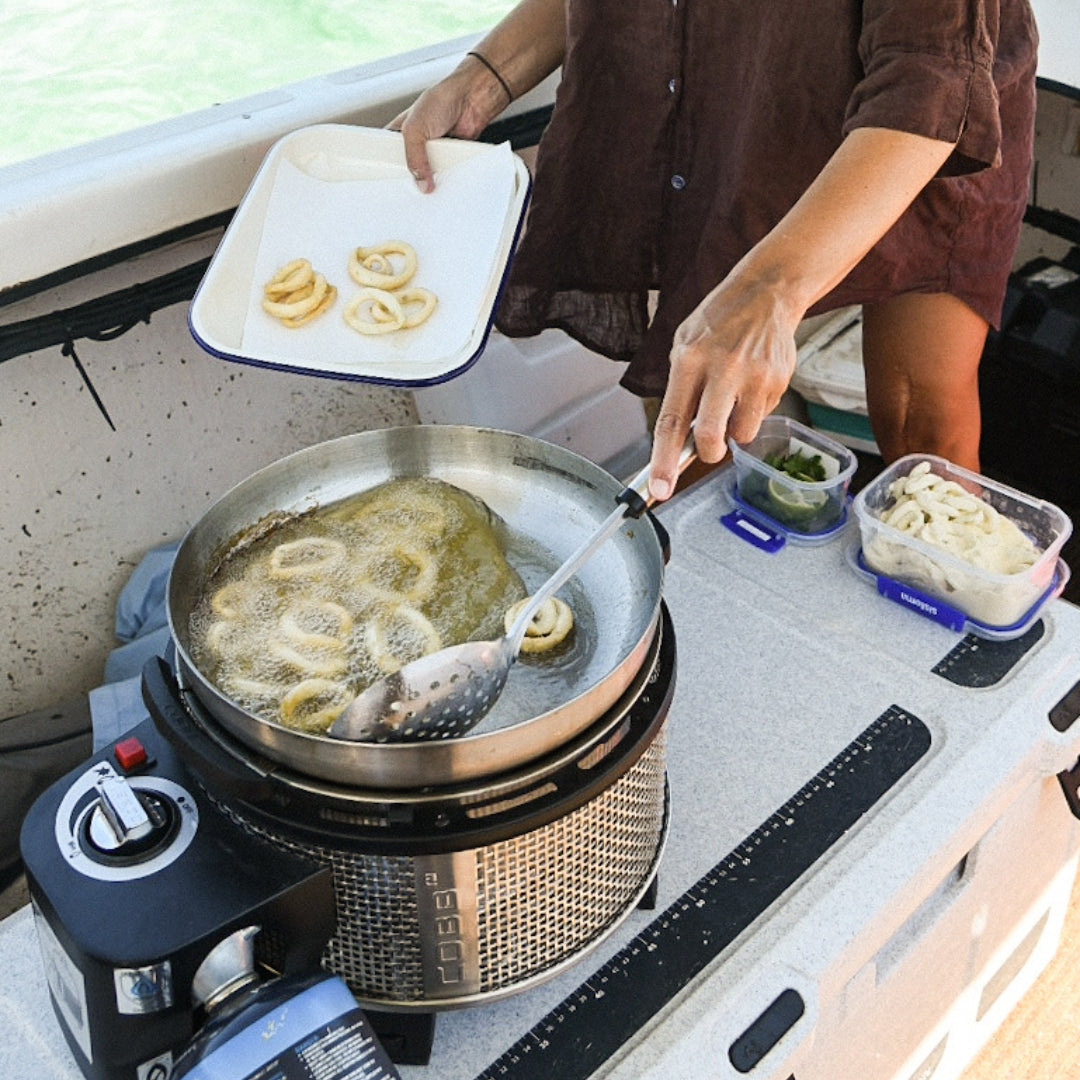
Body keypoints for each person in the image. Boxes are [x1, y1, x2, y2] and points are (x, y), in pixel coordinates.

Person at [392, 1, 1038, 500]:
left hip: (929, 129)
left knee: (922, 430)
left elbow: (930, 83)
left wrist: (770, 289)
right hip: (744, 97)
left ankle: (953, 592)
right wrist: (483, 80)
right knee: (696, 411)